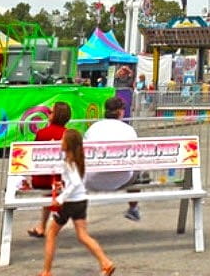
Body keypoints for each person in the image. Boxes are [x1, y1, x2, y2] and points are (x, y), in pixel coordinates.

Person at [39, 126, 116, 276]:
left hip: (70, 202)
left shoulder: (69, 162)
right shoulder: (77, 160)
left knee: (51, 233)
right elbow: (74, 182)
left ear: (67, 144)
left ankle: (46, 271)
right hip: (81, 200)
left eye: (63, 139)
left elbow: (74, 182)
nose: (60, 141)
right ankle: (105, 262)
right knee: (83, 235)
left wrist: (60, 198)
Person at [84, 96, 142, 221]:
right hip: (122, 178)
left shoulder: (93, 128)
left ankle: (81, 211)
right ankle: (134, 208)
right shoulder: (129, 130)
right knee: (139, 170)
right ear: (120, 112)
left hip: (92, 179)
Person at [26, 101, 71, 239]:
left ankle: (42, 227)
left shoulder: (42, 133)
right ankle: (46, 225)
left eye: (51, 112)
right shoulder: (69, 134)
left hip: (41, 179)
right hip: (62, 179)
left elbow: (33, 156)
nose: (48, 114)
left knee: (50, 193)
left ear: (55, 115)